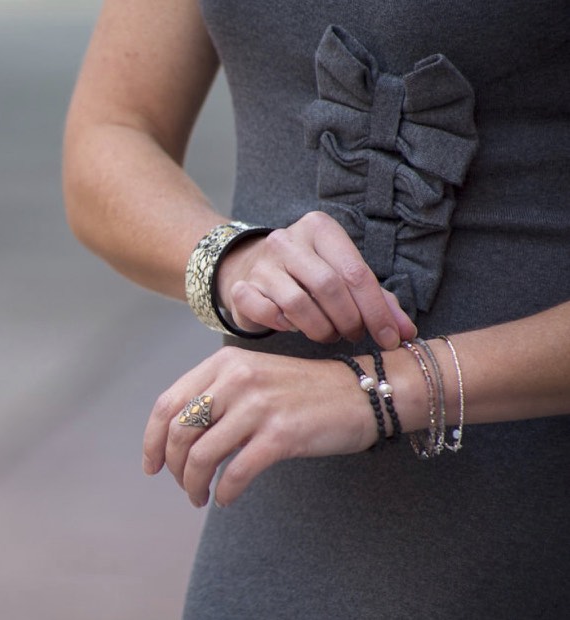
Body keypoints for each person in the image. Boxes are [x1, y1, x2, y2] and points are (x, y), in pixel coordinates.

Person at [63, 1, 570, 617]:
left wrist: (382, 392)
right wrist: (231, 261)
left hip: (534, 496)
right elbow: (111, 131)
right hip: (284, 498)